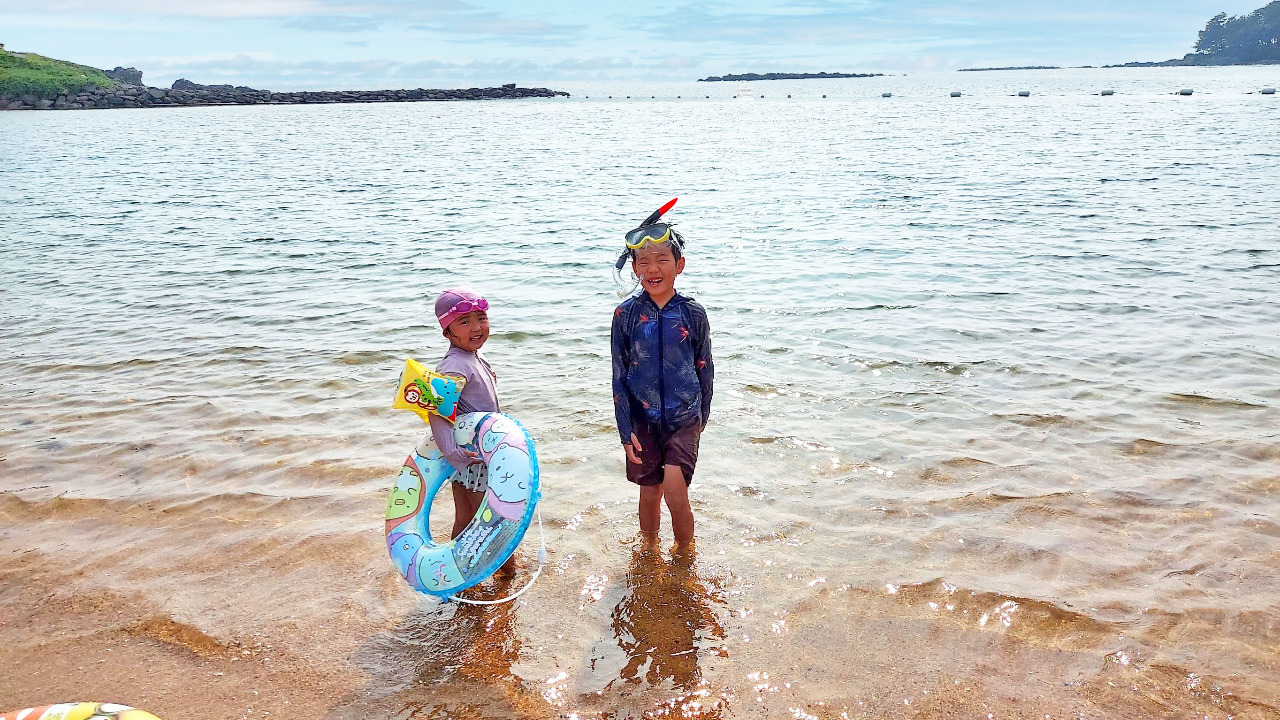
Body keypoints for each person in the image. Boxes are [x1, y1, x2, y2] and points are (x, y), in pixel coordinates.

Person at [611, 203, 714, 546]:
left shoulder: (692, 313)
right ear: (634, 269)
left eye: (662, 260)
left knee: (674, 492)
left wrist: (702, 418)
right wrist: (625, 429)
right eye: (643, 262)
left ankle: (686, 558)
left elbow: (705, 366)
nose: (653, 268)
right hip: (642, 420)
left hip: (685, 417)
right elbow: (619, 375)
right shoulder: (625, 315)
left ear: (679, 266)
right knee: (649, 493)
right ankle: (649, 553)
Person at [425, 287, 504, 544]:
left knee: (467, 516)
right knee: (491, 522)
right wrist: (452, 451)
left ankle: (459, 574)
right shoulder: (454, 366)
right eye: (464, 321)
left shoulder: (472, 356)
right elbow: (437, 412)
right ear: (447, 330)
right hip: (472, 458)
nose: (476, 327)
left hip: (469, 455)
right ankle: (506, 574)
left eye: (481, 318)